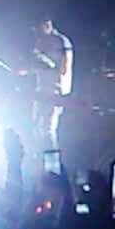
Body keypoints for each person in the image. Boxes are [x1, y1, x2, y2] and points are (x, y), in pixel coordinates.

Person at [27, 14, 74, 149]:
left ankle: (52, 167)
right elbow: (37, 64)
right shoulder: (41, 41)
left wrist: (45, 63)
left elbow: (64, 68)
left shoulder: (62, 42)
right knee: (35, 127)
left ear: (47, 25)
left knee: (48, 130)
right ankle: (37, 161)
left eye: (39, 29)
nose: (37, 33)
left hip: (54, 92)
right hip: (41, 90)